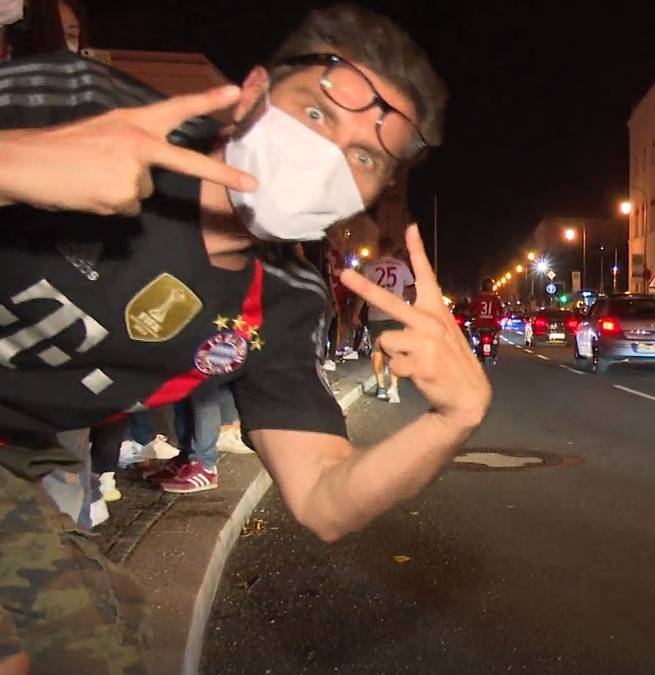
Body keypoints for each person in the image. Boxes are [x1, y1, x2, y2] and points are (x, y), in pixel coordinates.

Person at [0, 5, 492, 673]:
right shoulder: (83, 106)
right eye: (316, 114)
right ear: (253, 92)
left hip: (14, 455)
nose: (327, 157)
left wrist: (452, 420)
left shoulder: (285, 302)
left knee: (96, 644)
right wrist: (13, 161)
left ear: (370, 193)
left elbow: (324, 497)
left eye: (364, 155)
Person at [353, 233, 415, 402]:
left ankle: (380, 387)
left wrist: (356, 314)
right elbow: (411, 290)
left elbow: (362, 294)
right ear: (392, 250)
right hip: (396, 314)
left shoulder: (370, 267)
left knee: (377, 350)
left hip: (376, 315)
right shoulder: (401, 266)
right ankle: (393, 389)